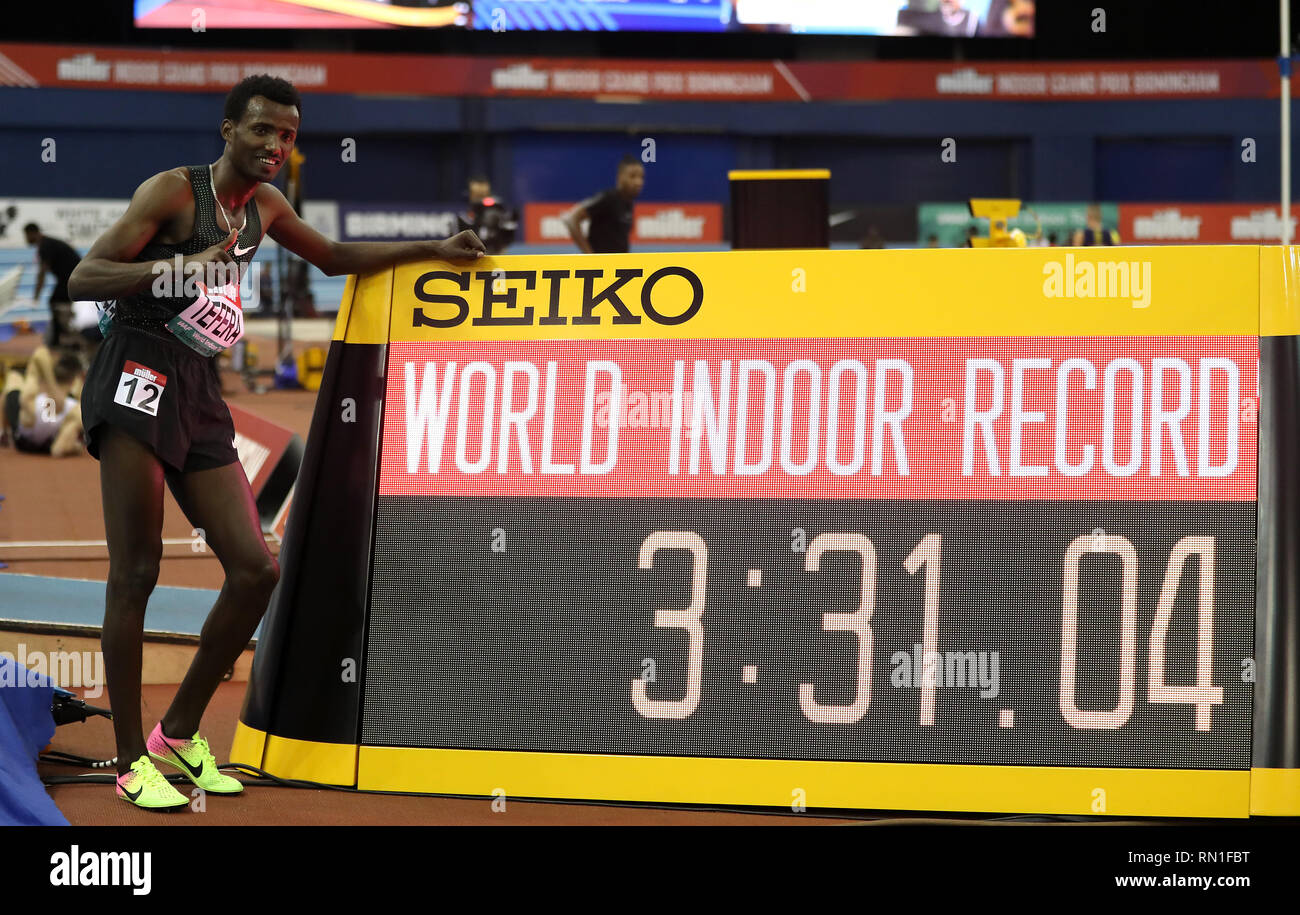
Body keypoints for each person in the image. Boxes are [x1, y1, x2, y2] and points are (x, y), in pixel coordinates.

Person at [67, 74, 486, 811]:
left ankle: (179, 731)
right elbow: (86, 274)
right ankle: (132, 757)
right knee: (136, 570)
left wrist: (432, 247)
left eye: (287, 135)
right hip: (135, 368)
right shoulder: (171, 193)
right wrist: (180, 266)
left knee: (257, 567)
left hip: (197, 388)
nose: (274, 146)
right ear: (229, 131)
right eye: (261, 131)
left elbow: (328, 256)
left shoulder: (265, 207)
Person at [1, 344, 85, 456]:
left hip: (24, 440)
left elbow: (40, 353)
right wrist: (76, 448)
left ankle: (2, 432)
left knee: (14, 379)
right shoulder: (76, 409)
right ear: (73, 380)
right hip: (49, 443)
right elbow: (57, 450)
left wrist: (52, 387)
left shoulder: (31, 394)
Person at [561, 155, 645, 254]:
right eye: (632, 176)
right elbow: (571, 219)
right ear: (620, 177)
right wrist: (590, 257)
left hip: (618, 266)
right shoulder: (608, 198)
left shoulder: (628, 203)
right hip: (602, 267)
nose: (638, 182)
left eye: (641, 177)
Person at [24, 223, 82, 348]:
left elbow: (42, 274)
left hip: (74, 278)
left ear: (32, 233)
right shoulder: (48, 243)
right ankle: (61, 337)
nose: (25, 239)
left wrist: (36, 297)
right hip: (73, 278)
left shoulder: (45, 246)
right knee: (56, 303)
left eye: (26, 235)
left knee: (56, 302)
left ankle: (60, 339)